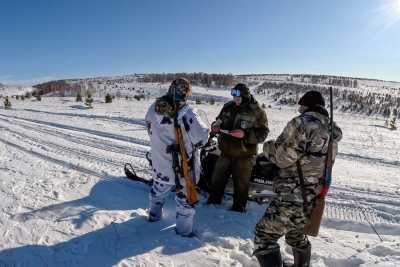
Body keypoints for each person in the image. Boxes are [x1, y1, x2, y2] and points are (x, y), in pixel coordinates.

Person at [253, 91, 343, 267]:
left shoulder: (302, 123)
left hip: (292, 194)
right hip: (313, 196)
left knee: (263, 235)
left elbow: (283, 158)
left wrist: (268, 147)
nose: (299, 109)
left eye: (301, 105)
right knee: (296, 235)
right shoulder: (331, 130)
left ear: (307, 105)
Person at [145, 78, 209, 237]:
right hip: (181, 168)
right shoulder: (187, 112)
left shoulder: (154, 107)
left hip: (159, 163)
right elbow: (201, 138)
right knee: (184, 201)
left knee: (158, 191)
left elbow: (149, 127)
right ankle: (183, 233)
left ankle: (153, 216)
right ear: (186, 92)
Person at [207, 83, 269, 212]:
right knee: (217, 179)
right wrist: (215, 126)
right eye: (234, 96)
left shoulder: (257, 111)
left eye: (238, 97)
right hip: (225, 152)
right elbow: (218, 120)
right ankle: (213, 202)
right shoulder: (228, 106)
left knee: (241, 185)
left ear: (245, 96)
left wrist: (245, 135)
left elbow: (263, 134)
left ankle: (238, 209)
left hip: (244, 155)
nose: (235, 99)